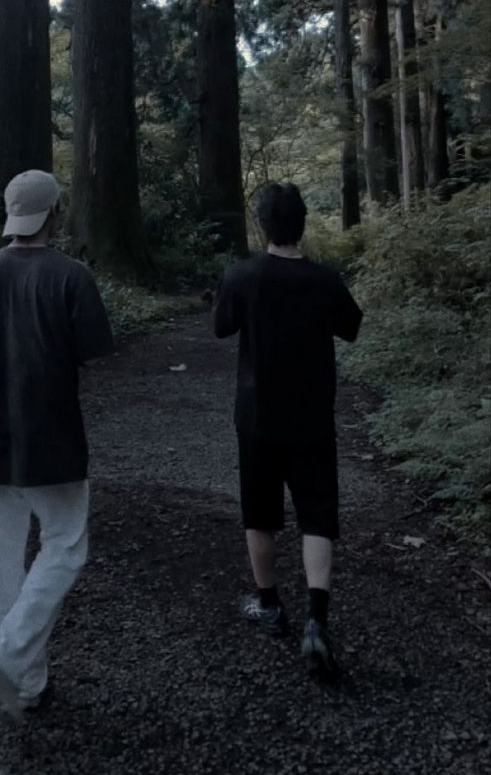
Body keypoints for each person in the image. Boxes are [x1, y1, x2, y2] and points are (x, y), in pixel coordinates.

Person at [0, 169, 114, 721]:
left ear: (12, 215)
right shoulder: (72, 276)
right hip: (52, 436)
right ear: (55, 214)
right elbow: (94, 355)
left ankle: (25, 685)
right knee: (65, 545)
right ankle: (7, 658)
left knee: (4, 562)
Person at [213, 183, 362, 678]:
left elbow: (222, 326)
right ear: (303, 223)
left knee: (260, 513)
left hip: (256, 416)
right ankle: (317, 620)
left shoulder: (243, 275)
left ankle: (270, 605)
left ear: (263, 225)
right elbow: (351, 326)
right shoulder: (323, 279)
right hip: (312, 416)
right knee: (318, 514)